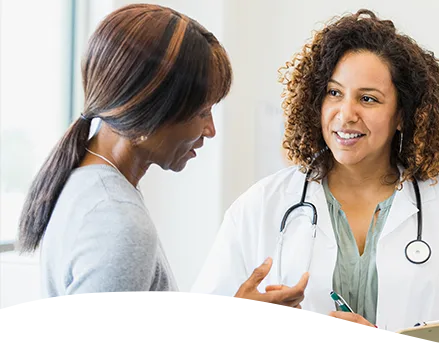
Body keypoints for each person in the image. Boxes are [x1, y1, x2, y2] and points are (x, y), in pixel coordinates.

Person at [191, 9, 439, 358]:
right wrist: (238, 318)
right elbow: (198, 338)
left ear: (402, 115)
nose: (346, 113)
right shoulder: (262, 206)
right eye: (334, 93)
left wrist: (390, 349)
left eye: (368, 98)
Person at [16, 4, 307, 310]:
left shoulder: (88, 182)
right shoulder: (118, 224)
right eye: (202, 112)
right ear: (148, 114)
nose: (210, 130)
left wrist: (236, 314)